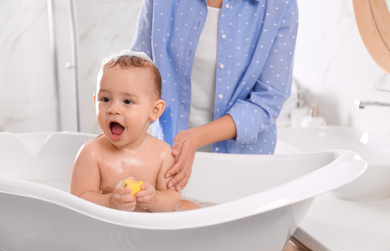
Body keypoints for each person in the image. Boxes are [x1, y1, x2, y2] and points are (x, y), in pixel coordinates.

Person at [131, 0, 299, 191]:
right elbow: (137, 74)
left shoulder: (278, 5)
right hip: (167, 159)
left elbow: (268, 100)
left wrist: (195, 138)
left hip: (242, 168)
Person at [70, 51, 199, 212]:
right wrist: (110, 201)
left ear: (155, 110)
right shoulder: (92, 153)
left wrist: (156, 200)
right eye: (105, 99)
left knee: (192, 208)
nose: (113, 109)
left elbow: (173, 199)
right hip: (112, 229)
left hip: (150, 227)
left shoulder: (162, 154)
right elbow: (78, 200)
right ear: (95, 100)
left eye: (127, 101)